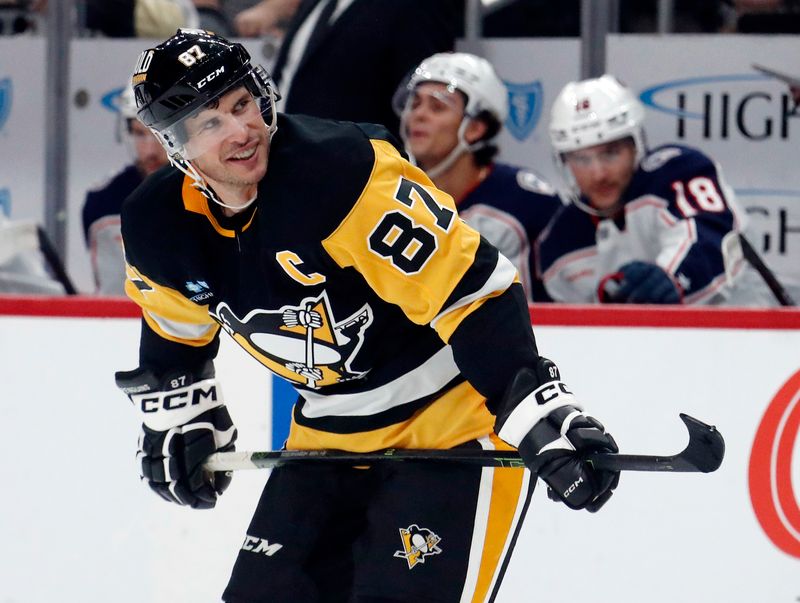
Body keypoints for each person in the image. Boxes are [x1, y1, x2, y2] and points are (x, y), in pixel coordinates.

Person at [115, 30, 620, 602]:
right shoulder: (158, 223)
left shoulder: (343, 172)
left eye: (240, 103)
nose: (241, 131)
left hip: (451, 426)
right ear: (176, 146)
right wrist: (185, 414)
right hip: (325, 434)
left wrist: (534, 407)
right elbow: (175, 329)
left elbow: (471, 290)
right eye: (210, 123)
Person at [536, 74, 776, 306]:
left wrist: (673, 279)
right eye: (581, 160)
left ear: (636, 146)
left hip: (745, 336)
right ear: (564, 162)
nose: (598, 174)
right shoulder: (558, 244)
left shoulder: (678, 173)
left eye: (610, 153)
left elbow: (709, 239)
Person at [393, 52, 562, 302]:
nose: (418, 115)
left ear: (475, 128)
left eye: (437, 106)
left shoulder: (529, 203)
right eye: (415, 103)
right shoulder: (387, 193)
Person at [269, 0, 462, 140]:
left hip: (358, 174)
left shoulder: (417, 6)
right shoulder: (315, 4)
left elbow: (418, 94)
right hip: (284, 160)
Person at [82, 86, 169, 295]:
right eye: (139, 134)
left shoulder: (217, 191)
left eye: (159, 134)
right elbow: (113, 297)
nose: (150, 150)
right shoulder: (103, 200)